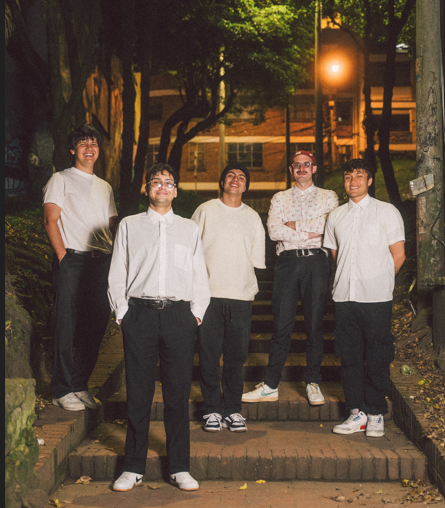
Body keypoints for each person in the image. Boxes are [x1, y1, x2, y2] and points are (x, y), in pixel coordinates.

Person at [108, 163, 210, 492]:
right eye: (156, 182)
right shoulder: (129, 225)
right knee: (138, 394)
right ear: (147, 189)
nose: (163, 187)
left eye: (169, 182)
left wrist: (195, 315)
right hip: (140, 316)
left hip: (179, 317)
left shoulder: (189, 229)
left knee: (177, 396)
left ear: (176, 191)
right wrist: (122, 313)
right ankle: (133, 467)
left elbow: (199, 275)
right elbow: (117, 272)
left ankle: (179, 467)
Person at [242, 150, 339, 406]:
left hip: (316, 262)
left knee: (314, 325)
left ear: (314, 168)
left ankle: (312, 381)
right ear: (291, 169)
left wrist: (294, 225)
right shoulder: (280, 198)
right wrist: (310, 231)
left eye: (307, 164)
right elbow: (274, 232)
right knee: (281, 325)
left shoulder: (329, 196)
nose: (301, 168)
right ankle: (270, 385)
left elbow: (329, 227)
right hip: (286, 263)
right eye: (297, 165)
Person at [323, 158, 405, 437]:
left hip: (376, 297)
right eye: (348, 176)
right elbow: (336, 255)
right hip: (344, 297)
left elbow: (398, 254)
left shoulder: (386, 211)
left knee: (378, 355)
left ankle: (376, 413)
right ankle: (356, 412)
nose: (353, 181)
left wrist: (380, 280)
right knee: (349, 356)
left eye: (359, 175)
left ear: (370, 180)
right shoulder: (336, 216)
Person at [43, 124, 117, 412]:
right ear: (73, 149)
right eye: (83, 143)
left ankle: (79, 384)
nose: (89, 147)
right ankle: (61, 389)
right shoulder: (60, 179)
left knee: (96, 324)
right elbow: (50, 220)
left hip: (101, 262)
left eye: (94, 143)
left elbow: (110, 226)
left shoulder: (105, 187)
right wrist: (63, 257)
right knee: (67, 324)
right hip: (72, 260)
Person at [191, 163, 266, 433]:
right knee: (209, 355)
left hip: (240, 296)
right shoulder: (205, 210)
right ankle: (212, 409)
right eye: (230, 176)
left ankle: (233, 410)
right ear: (222, 182)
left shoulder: (253, 217)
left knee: (236, 357)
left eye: (241, 177)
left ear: (246, 187)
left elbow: (256, 259)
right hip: (208, 295)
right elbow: (190, 250)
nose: (235, 179)